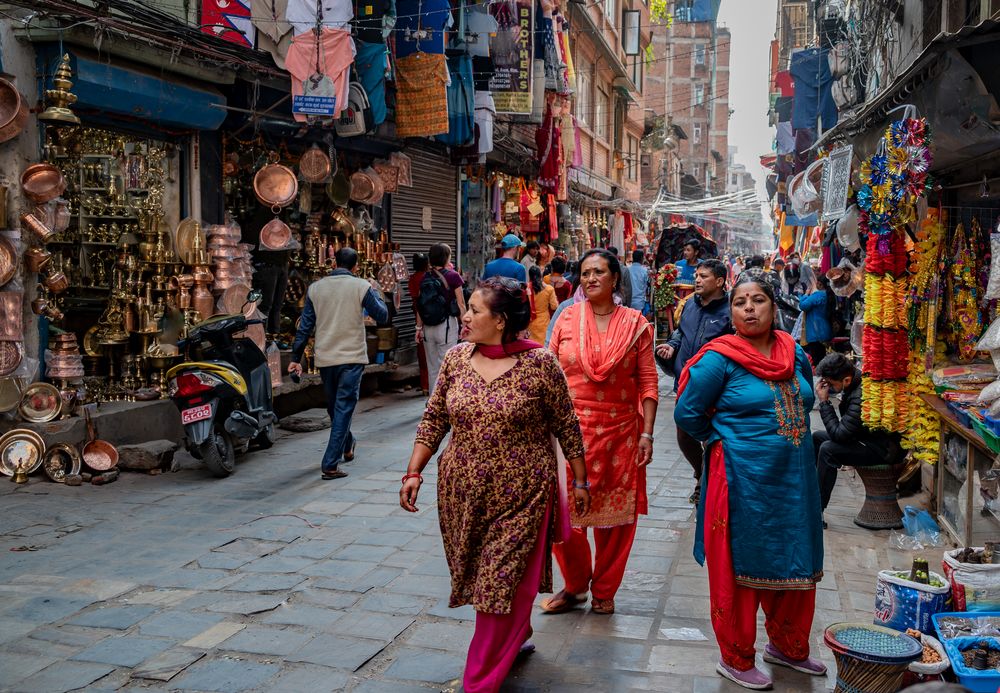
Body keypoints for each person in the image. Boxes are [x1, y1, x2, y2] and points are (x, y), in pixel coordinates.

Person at [400, 277, 589, 693]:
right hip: (461, 493)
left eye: (474, 310)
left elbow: (566, 425)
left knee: (497, 582)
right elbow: (434, 419)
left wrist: (580, 481)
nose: (464, 317)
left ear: (501, 320)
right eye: (467, 308)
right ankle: (517, 632)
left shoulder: (540, 363)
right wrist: (413, 471)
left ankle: (479, 681)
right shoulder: (454, 360)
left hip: (523, 493)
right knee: (485, 576)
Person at [674, 276, 825, 690]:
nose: (749, 308)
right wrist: (722, 438)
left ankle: (789, 647)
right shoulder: (717, 359)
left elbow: (806, 398)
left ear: (774, 307)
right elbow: (687, 413)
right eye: (740, 302)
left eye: (758, 300)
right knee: (740, 566)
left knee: (796, 555)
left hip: (794, 478)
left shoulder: (794, 354)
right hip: (741, 479)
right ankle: (735, 657)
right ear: (732, 312)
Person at [541, 248, 658, 616]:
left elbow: (648, 381)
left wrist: (647, 433)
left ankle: (605, 589)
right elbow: (547, 374)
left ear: (614, 279)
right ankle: (575, 586)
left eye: (598, 272)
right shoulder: (566, 318)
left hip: (621, 431)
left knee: (615, 519)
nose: (590, 278)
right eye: (585, 272)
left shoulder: (636, 323)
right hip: (568, 432)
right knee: (565, 515)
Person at [289, 247, 389, 480]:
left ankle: (347, 444)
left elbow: (304, 327)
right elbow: (382, 316)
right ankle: (330, 464)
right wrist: (374, 292)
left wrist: (295, 358)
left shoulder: (315, 288)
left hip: (325, 358)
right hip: (351, 357)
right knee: (341, 407)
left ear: (334, 264)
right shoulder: (361, 286)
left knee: (336, 406)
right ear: (355, 267)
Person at [654, 259, 732, 503]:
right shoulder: (689, 306)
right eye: (696, 275)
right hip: (685, 381)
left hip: (717, 386)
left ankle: (710, 481)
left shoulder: (731, 310)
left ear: (719, 282)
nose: (697, 280)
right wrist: (671, 344)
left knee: (713, 436)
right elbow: (681, 332)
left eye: (703, 276)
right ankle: (701, 472)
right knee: (684, 432)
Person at [813, 353, 902, 526]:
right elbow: (843, 431)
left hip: (882, 449)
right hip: (864, 438)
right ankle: (813, 494)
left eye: (831, 384)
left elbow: (840, 434)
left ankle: (817, 511)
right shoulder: (853, 383)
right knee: (817, 438)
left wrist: (824, 403)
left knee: (828, 450)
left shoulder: (860, 395)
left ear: (846, 380)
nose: (828, 388)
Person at [417, 243, 466, 394]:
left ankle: (433, 403)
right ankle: (444, 403)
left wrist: (418, 328)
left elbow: (420, 304)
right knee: (447, 366)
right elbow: (461, 303)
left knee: (432, 368)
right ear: (446, 258)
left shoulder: (425, 277)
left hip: (428, 328)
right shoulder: (453, 276)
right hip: (446, 326)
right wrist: (466, 325)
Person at [244, 207, 291, 344]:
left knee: (277, 304)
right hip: (267, 264)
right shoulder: (263, 212)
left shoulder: (283, 211)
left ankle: (274, 337)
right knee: (266, 305)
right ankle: (260, 338)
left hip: (281, 263)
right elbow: (253, 236)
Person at [797, 275, 835, 365]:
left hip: (815, 331)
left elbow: (803, 306)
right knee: (823, 357)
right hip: (825, 329)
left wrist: (806, 294)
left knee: (817, 360)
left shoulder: (818, 295)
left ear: (819, 284)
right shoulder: (828, 295)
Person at [408, 253, 430, 395]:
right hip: (430, 316)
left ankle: (424, 386)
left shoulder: (413, 278)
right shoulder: (429, 277)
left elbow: (414, 297)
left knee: (422, 352)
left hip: (418, 315)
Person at [527, 265, 558, 344]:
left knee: (531, 345)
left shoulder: (526, 288)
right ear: (541, 275)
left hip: (530, 321)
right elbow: (554, 306)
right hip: (544, 321)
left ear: (529, 275)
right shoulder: (549, 289)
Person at [626, 249, 650, 315]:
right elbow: (646, 286)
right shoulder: (644, 271)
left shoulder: (627, 270)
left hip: (628, 303)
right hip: (640, 303)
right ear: (642, 258)